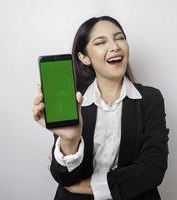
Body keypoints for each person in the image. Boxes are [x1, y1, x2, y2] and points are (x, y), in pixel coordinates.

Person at [33, 16, 169, 200]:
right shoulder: (75, 101)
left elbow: (153, 169)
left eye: (119, 38)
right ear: (84, 57)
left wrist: (88, 187)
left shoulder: (150, 99)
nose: (115, 46)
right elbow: (64, 177)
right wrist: (70, 140)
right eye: (101, 42)